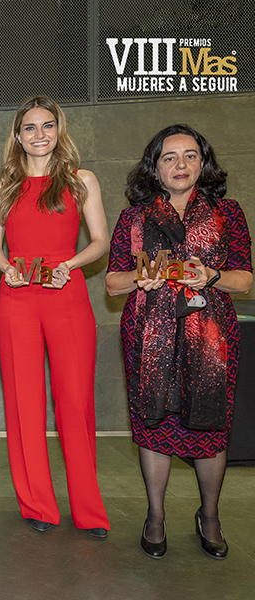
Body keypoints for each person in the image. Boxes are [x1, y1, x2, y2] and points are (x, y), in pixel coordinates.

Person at [106, 125, 252, 559]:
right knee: (155, 426)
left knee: (212, 428)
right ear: (154, 167)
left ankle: (209, 515)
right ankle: (155, 516)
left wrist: (211, 276)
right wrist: (141, 277)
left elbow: (244, 279)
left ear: (203, 163)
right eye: (170, 157)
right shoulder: (134, 218)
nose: (181, 164)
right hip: (149, 333)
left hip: (212, 337)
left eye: (190, 155)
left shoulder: (229, 213)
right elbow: (113, 283)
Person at [0, 95, 110, 536]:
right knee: (24, 404)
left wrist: (69, 266)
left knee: (75, 404)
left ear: (59, 130)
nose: (40, 135)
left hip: (67, 294)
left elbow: (100, 241)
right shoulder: (4, 186)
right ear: (18, 136)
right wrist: (7, 269)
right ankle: (38, 504)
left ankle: (89, 510)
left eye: (47, 126)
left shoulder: (82, 181)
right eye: (30, 128)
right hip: (17, 298)